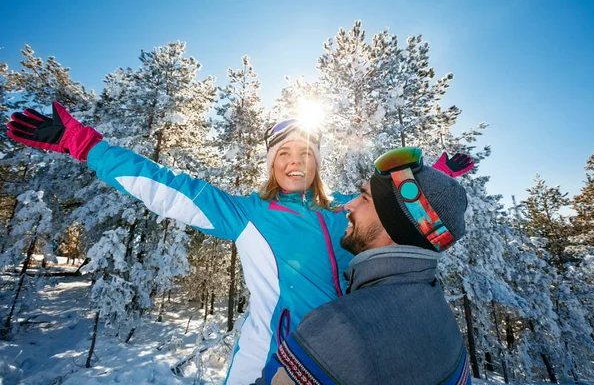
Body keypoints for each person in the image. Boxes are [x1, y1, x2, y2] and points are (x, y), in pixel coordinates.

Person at [6, 102, 356, 384]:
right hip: (270, 363)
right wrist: (86, 146)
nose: (295, 160)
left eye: (306, 152)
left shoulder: (349, 209)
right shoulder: (247, 214)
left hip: (346, 362)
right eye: (284, 152)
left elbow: (403, 212)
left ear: (317, 163)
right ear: (271, 164)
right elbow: (165, 185)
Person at [256, 147, 473, 385]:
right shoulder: (445, 324)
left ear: (394, 225)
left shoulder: (340, 329)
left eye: (365, 198)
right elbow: (414, 217)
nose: (348, 204)